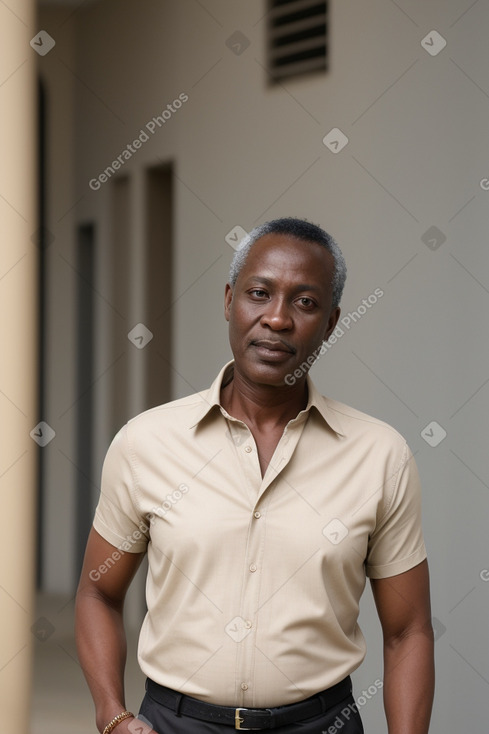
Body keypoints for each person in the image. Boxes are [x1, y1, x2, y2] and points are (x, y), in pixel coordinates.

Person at [75, 217, 435, 734]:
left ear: (331, 323)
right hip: (176, 725)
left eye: (305, 302)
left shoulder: (380, 455)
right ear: (229, 301)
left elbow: (408, 632)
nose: (277, 319)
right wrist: (112, 717)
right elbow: (98, 594)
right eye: (259, 293)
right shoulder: (146, 443)